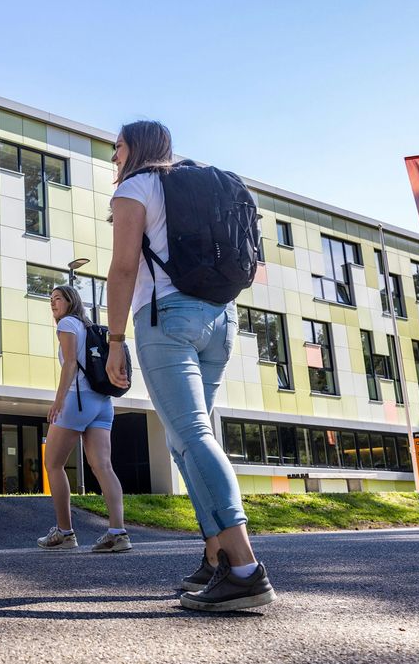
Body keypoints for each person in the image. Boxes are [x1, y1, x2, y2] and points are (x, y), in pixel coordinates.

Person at [104, 120, 276, 612]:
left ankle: (244, 570)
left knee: (192, 437)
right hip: (221, 320)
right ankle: (217, 556)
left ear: (134, 147)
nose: (113, 156)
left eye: (116, 147)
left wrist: (115, 341)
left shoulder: (136, 186)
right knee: (186, 443)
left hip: (168, 319)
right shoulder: (198, 182)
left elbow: (123, 268)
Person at [37, 285, 130, 552]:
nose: (53, 304)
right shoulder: (90, 327)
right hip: (103, 402)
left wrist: (58, 401)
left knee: (53, 464)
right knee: (103, 466)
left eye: (58, 299)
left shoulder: (66, 323)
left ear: (71, 301)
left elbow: (69, 363)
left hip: (78, 401)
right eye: (51, 299)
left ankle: (65, 533)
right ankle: (117, 532)